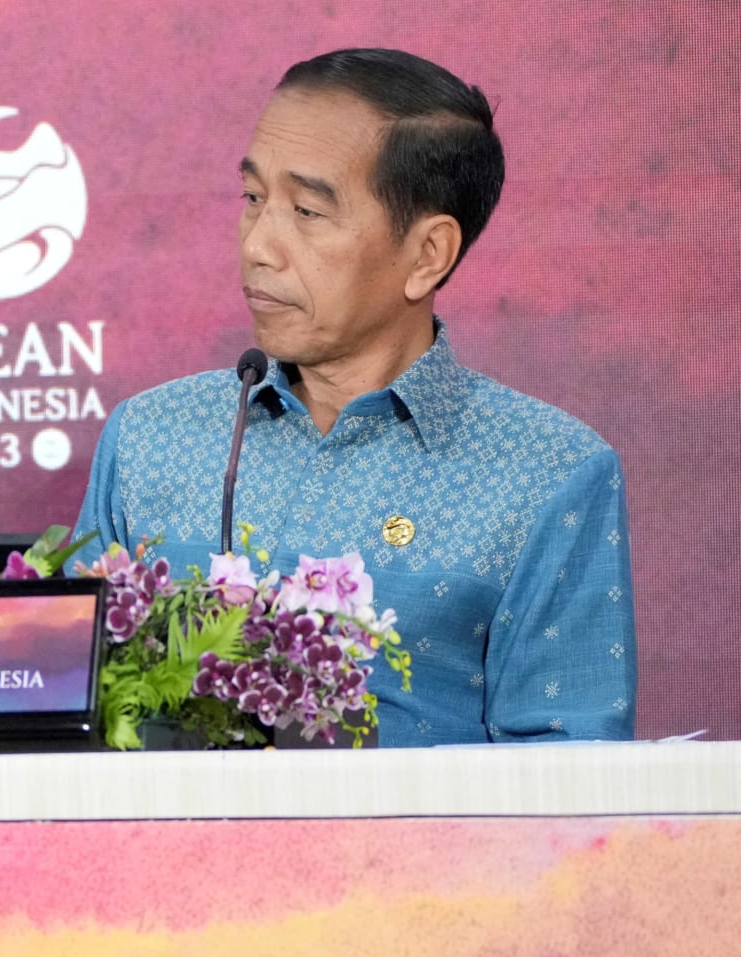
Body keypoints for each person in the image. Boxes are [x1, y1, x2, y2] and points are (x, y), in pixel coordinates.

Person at [72, 48, 636, 745]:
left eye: (308, 211)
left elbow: (568, 786)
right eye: (253, 199)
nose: (258, 246)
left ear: (428, 254)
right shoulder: (152, 437)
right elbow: (64, 724)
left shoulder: (547, 473)